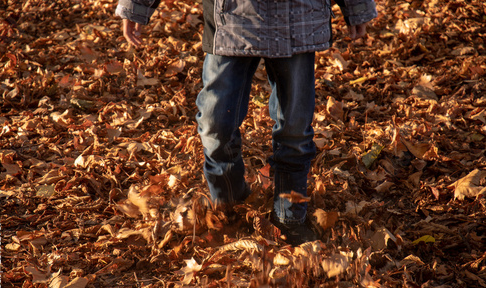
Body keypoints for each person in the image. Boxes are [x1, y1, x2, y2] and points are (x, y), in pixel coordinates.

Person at [116, 0, 378, 246]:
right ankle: (230, 208)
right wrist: (136, 6)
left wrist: (357, 7)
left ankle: (290, 217)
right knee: (215, 123)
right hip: (232, 17)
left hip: (299, 17)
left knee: (295, 131)